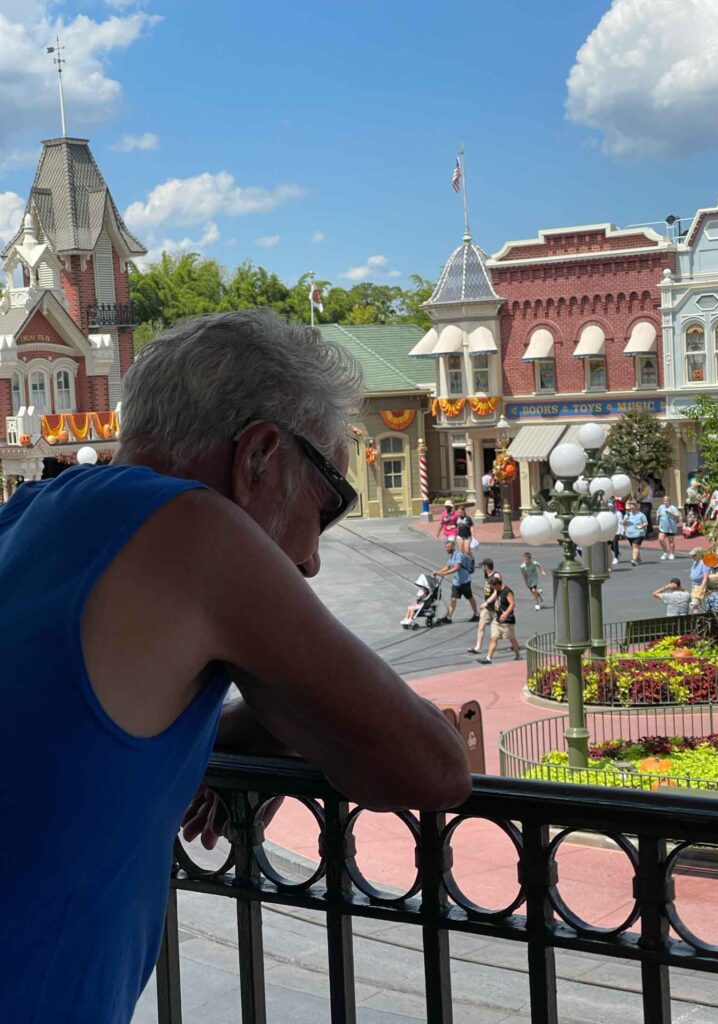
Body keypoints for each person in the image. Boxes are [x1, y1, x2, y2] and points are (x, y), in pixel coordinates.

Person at [0, 310, 471, 1024]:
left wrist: (240, 729)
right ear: (259, 457)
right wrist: (286, 718)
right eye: (330, 501)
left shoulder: (31, 512)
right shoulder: (193, 528)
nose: (312, 558)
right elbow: (431, 767)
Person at [477, 573, 521, 664]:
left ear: (497, 584)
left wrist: (505, 614)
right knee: (494, 638)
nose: (491, 588)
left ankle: (518, 655)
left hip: (507, 621)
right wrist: (487, 603)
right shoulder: (497, 590)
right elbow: (494, 597)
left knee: (512, 639)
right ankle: (488, 658)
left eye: (492, 586)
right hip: (497, 620)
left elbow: (512, 604)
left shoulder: (507, 591)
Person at [435, 539, 479, 623]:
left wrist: (444, 574)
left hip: (464, 581)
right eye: (446, 547)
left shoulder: (459, 555)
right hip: (456, 582)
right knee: (453, 599)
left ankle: (476, 614)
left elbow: (457, 567)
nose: (446, 549)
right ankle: (448, 617)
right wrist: (438, 572)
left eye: (448, 547)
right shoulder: (451, 556)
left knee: (470, 598)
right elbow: (447, 566)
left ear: (453, 546)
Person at [467, 557, 496, 654]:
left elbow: (497, 592)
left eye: (483, 566)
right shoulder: (486, 575)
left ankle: (514, 645)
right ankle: (477, 647)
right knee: (481, 625)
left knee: (504, 630)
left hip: (497, 607)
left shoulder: (496, 576)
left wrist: (487, 602)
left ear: (486, 566)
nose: (482, 568)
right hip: (487, 607)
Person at [623, 499, 648, 566]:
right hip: (630, 534)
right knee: (635, 547)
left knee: (635, 546)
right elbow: (624, 524)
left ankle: (634, 560)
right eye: (631, 505)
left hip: (639, 533)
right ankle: (638, 559)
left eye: (633, 505)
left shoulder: (641, 515)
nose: (632, 507)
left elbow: (646, 523)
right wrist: (625, 521)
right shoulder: (627, 515)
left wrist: (641, 526)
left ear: (636, 506)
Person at [657, 495, 680, 560]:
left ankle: (672, 553)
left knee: (671, 541)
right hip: (663, 527)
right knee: (660, 539)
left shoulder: (673, 507)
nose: (665, 502)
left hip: (671, 527)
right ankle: (665, 552)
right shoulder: (661, 507)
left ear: (669, 501)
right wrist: (657, 515)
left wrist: (671, 513)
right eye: (664, 501)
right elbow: (658, 512)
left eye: (667, 501)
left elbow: (677, 515)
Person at [610, 498, 624, 565]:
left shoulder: (618, 513)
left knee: (615, 543)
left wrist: (622, 532)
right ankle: (618, 553)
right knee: (610, 544)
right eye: (609, 507)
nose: (610, 508)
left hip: (617, 530)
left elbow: (621, 523)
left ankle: (616, 557)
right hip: (610, 531)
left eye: (611, 506)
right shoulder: (608, 513)